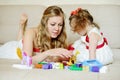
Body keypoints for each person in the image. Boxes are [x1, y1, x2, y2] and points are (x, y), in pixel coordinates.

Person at [0, 6, 73, 64]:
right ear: (44, 23)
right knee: (18, 44)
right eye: (52, 24)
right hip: (11, 50)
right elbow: (26, 61)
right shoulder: (31, 32)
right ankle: (22, 27)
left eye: (60, 25)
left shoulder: (58, 38)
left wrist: (58, 57)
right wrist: (49, 53)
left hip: (23, 46)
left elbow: (65, 57)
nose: (57, 28)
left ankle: (22, 28)